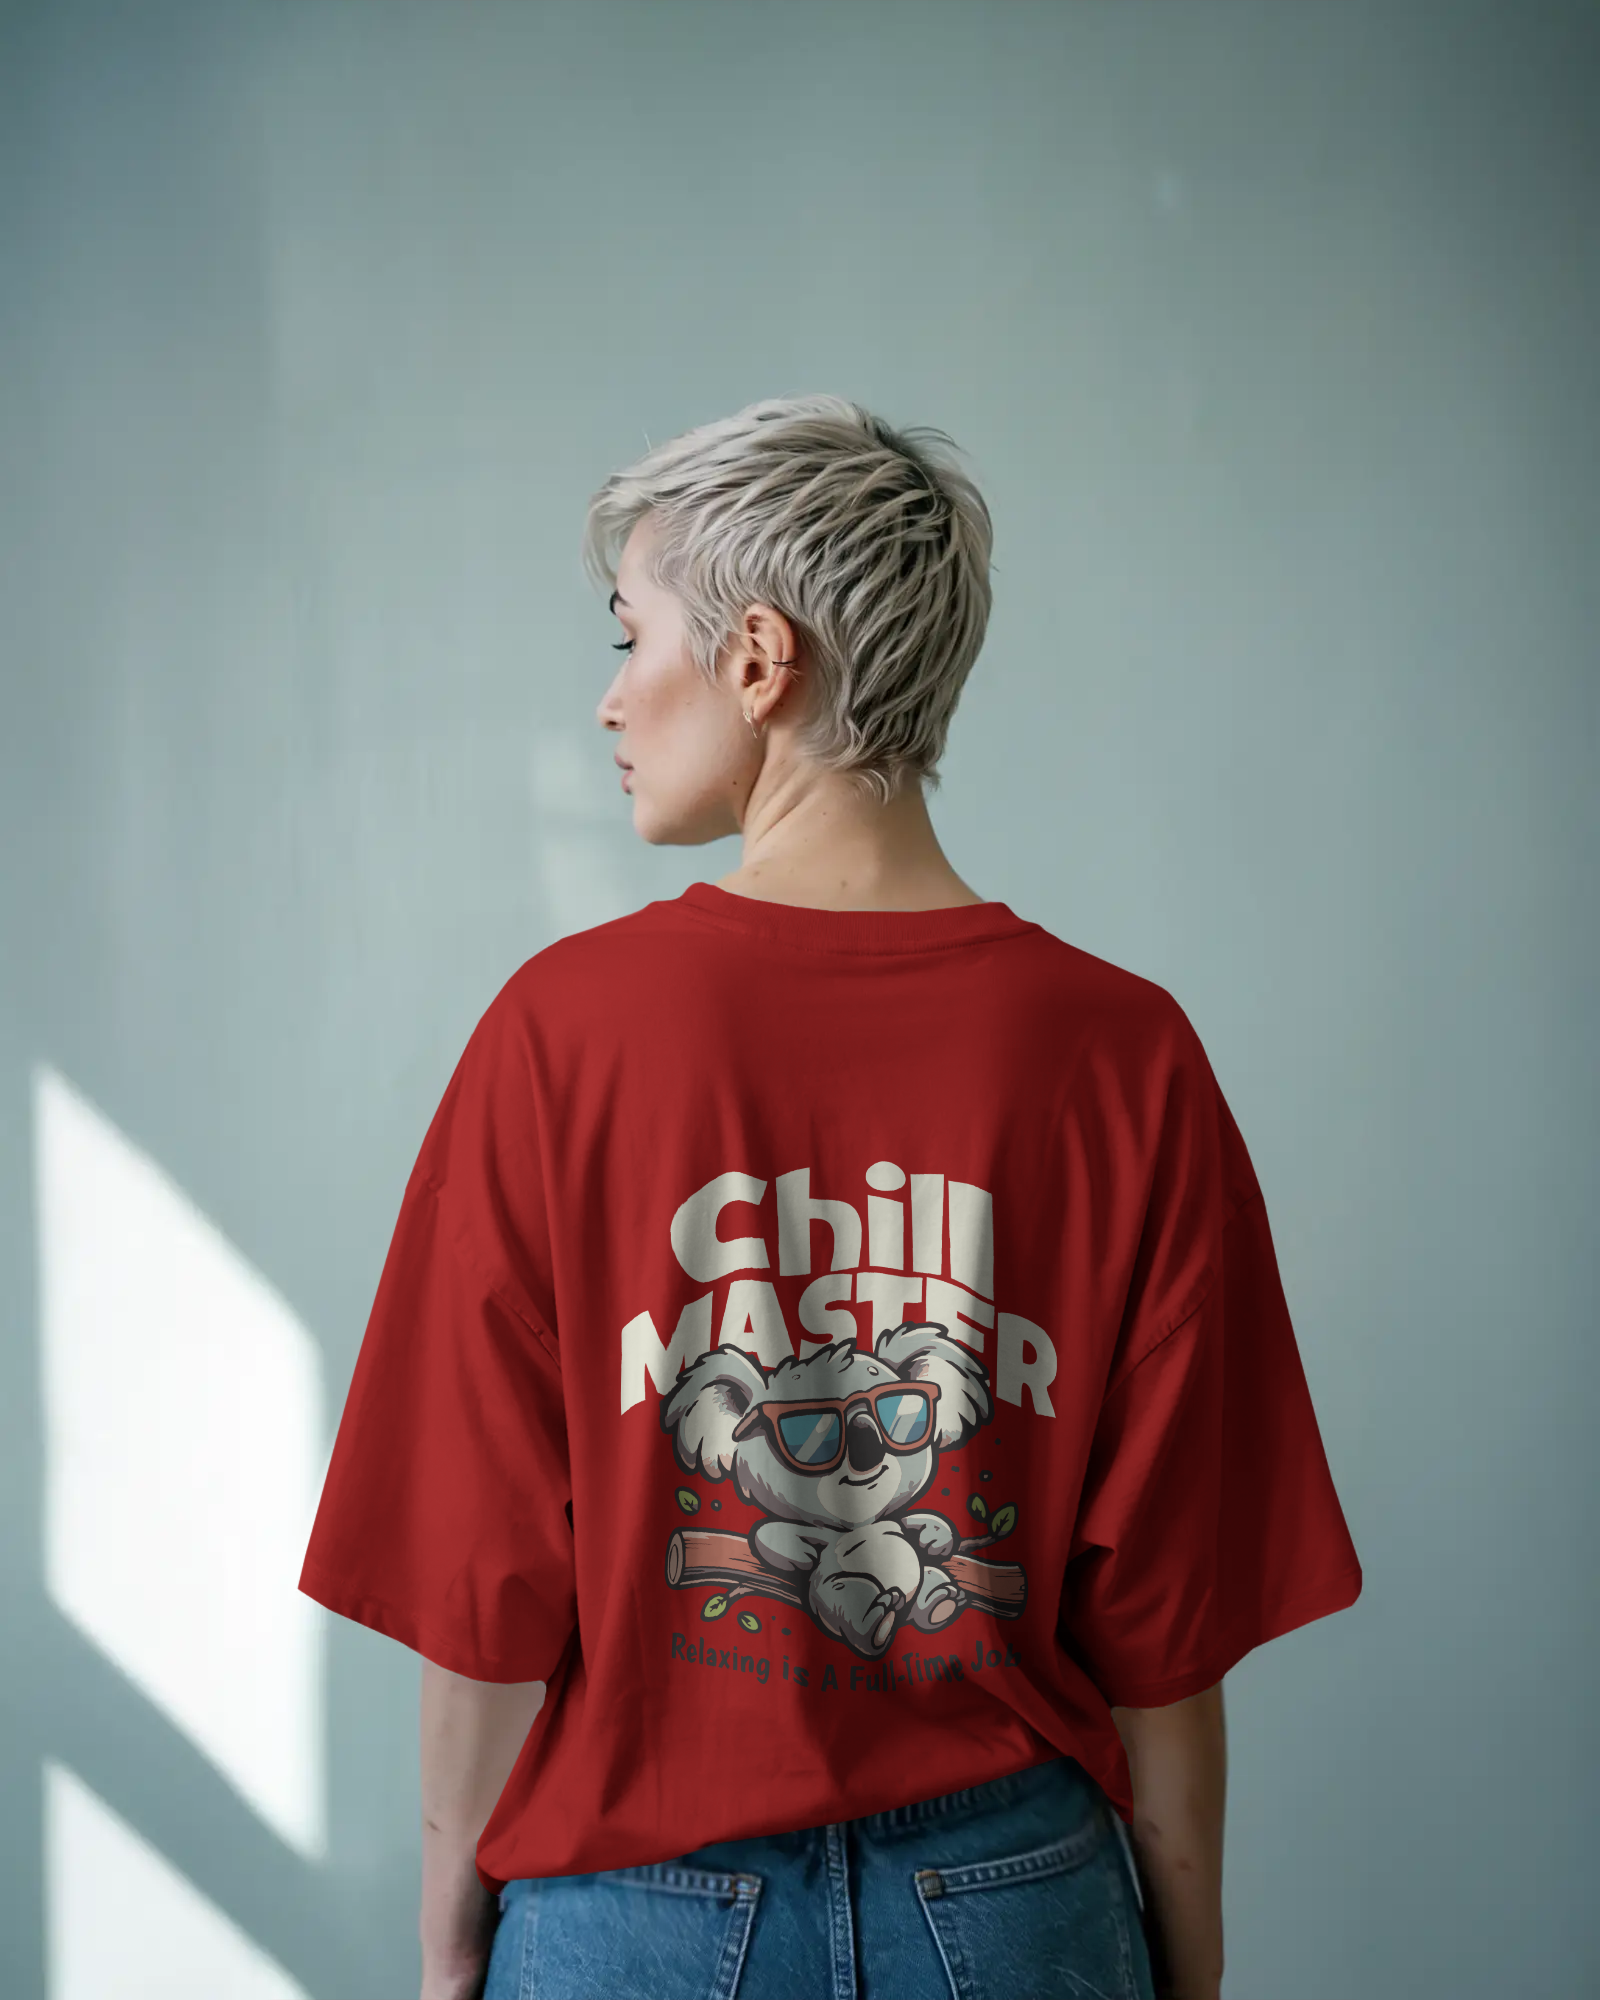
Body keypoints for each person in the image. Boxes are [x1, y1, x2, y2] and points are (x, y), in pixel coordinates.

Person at [297, 394, 1363, 2000]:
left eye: (629, 635)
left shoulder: (562, 1034)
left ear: (757, 660)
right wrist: (1186, 1961)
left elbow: (486, 1573)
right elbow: (1165, 1612)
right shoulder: (1122, 1053)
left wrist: (453, 1939)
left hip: (635, 1913)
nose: (608, 699)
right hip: (1014, 1902)